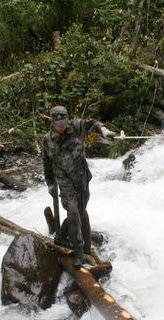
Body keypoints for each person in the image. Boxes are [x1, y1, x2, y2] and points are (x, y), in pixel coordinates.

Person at [42, 106, 116, 267]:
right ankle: (79, 249)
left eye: (64, 122)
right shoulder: (47, 140)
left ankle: (61, 236)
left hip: (82, 178)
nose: (61, 126)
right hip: (65, 181)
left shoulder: (76, 127)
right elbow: (47, 164)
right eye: (58, 123)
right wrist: (50, 184)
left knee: (79, 212)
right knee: (74, 212)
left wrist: (105, 131)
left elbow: (94, 124)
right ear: (52, 122)